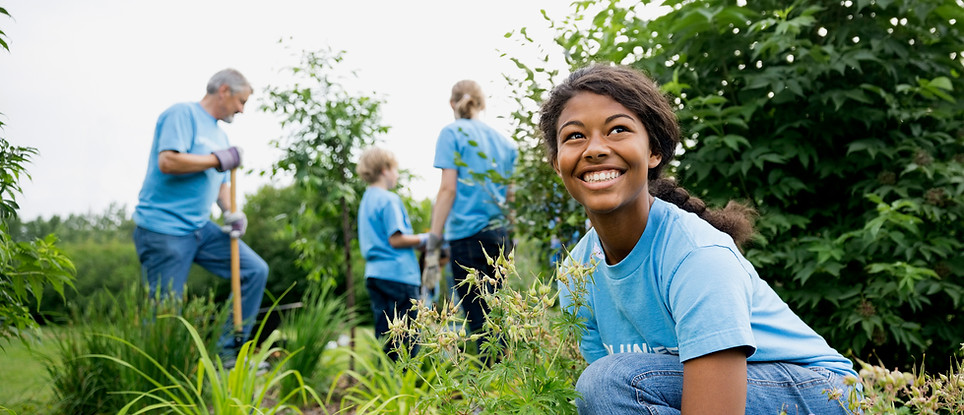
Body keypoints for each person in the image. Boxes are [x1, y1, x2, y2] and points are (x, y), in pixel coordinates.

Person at [540, 64, 859, 414]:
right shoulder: (578, 273)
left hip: (822, 393)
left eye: (618, 129)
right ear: (557, 162)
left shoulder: (697, 255)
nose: (595, 149)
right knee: (601, 385)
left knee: (611, 381)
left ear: (653, 152)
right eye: (574, 136)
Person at [132, 68, 268, 369]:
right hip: (163, 229)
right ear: (223, 90)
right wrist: (219, 159)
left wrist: (231, 211)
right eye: (241, 101)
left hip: (198, 228)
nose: (242, 109)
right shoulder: (182, 115)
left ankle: (228, 354)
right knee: (165, 311)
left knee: (255, 270)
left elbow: (219, 182)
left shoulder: (219, 134)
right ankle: (158, 377)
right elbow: (168, 161)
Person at [426, 79, 518, 356]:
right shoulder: (505, 143)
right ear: (482, 104)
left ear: (452, 104)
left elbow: (448, 189)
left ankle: (489, 395)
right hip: (500, 237)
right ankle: (506, 384)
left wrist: (433, 240)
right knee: (498, 317)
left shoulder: (451, 133)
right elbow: (511, 198)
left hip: (466, 237)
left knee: (478, 322)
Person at [357, 146, 429, 360]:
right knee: (407, 340)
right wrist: (426, 239)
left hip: (375, 275)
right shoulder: (389, 199)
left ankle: (387, 387)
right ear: (385, 169)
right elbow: (396, 239)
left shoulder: (366, 200)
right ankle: (406, 389)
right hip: (399, 276)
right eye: (396, 169)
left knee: (387, 338)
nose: (397, 174)